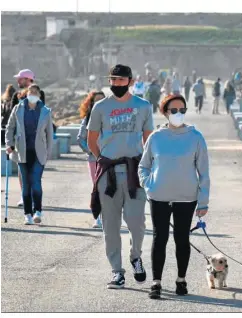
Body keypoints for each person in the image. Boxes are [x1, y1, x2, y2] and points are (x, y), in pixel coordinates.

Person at [87, 64, 154, 289]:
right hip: (109, 174)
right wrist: (103, 160)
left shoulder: (143, 106)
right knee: (111, 225)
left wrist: (149, 167)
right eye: (113, 80)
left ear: (130, 81)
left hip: (135, 173)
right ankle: (117, 271)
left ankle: (136, 257)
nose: (116, 84)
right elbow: (91, 139)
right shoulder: (100, 107)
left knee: (137, 222)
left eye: (120, 80)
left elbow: (149, 140)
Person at [138, 94, 210, 299]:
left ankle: (181, 280)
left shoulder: (195, 137)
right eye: (174, 110)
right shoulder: (156, 137)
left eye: (182, 110)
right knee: (159, 238)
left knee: (182, 239)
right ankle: (156, 282)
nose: (178, 114)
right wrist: (148, 184)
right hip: (159, 196)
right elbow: (143, 166)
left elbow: (204, 172)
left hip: (187, 198)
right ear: (165, 112)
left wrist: (203, 201)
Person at [5, 84, 53, 225]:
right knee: (26, 185)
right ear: (26, 94)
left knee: (36, 182)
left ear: (39, 95)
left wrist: (48, 154)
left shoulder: (45, 111)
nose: (32, 94)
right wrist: (9, 144)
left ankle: (38, 211)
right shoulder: (18, 108)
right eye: (30, 92)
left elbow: (50, 134)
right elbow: (10, 127)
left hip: (39, 153)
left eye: (35, 93)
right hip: (22, 152)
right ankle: (28, 214)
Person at [11, 69, 46, 207]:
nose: (18, 81)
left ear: (27, 79)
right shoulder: (16, 95)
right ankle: (24, 195)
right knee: (22, 168)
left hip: (35, 138)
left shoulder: (39, 93)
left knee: (33, 169)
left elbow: (42, 112)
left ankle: (32, 195)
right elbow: (12, 117)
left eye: (20, 78)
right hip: (20, 138)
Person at [77, 90, 106, 228]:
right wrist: (91, 151)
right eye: (96, 100)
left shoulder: (110, 117)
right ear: (91, 103)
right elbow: (80, 138)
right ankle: (98, 216)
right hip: (94, 160)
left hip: (109, 159)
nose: (99, 103)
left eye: (102, 100)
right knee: (98, 186)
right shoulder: (87, 119)